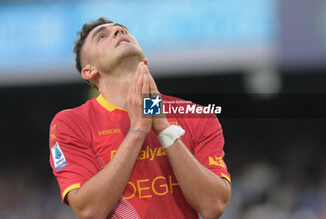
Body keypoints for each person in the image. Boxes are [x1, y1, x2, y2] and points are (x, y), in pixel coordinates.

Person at [49, 17, 231, 219]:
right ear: (89, 70)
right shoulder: (72, 123)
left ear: (144, 61)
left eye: (123, 30)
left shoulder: (196, 115)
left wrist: (164, 129)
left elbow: (213, 206)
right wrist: (137, 131)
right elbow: (89, 211)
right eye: (102, 36)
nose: (119, 32)